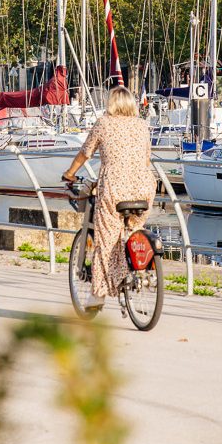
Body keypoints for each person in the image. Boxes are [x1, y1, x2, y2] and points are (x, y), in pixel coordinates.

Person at [60, 85, 156, 310]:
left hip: (115, 188)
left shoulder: (103, 123)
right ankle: (133, 271)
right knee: (133, 230)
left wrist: (70, 173)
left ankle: (98, 295)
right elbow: (146, 159)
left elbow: (85, 152)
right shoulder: (142, 126)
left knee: (106, 238)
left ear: (110, 104)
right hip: (143, 186)